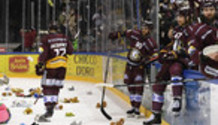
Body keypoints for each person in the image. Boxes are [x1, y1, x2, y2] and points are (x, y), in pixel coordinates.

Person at [143, 8, 194, 125]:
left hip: (183, 59)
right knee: (159, 81)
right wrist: (164, 51)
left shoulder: (192, 30)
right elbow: (173, 44)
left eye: (181, 17)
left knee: (175, 69)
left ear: (188, 17)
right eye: (178, 17)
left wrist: (178, 53)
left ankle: (177, 99)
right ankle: (156, 114)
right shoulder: (177, 30)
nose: (179, 19)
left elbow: (192, 47)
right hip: (172, 59)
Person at [109, 20, 158, 118]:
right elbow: (124, 33)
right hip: (129, 64)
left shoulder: (151, 42)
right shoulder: (135, 33)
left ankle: (137, 108)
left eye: (146, 29)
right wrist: (116, 35)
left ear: (150, 30)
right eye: (143, 28)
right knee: (129, 84)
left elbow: (156, 55)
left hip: (139, 67)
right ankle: (133, 106)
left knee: (138, 87)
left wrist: (148, 60)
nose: (144, 30)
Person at [35, 21, 73, 122]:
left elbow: (44, 53)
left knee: (47, 87)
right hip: (62, 67)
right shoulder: (65, 37)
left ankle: (49, 108)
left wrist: (40, 64)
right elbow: (71, 51)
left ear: (49, 29)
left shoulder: (46, 39)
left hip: (51, 67)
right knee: (56, 87)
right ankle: (53, 105)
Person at [188, 2, 218, 76]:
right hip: (206, 66)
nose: (209, 12)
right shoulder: (198, 29)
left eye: (211, 10)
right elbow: (191, 50)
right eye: (206, 10)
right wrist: (205, 55)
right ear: (202, 12)